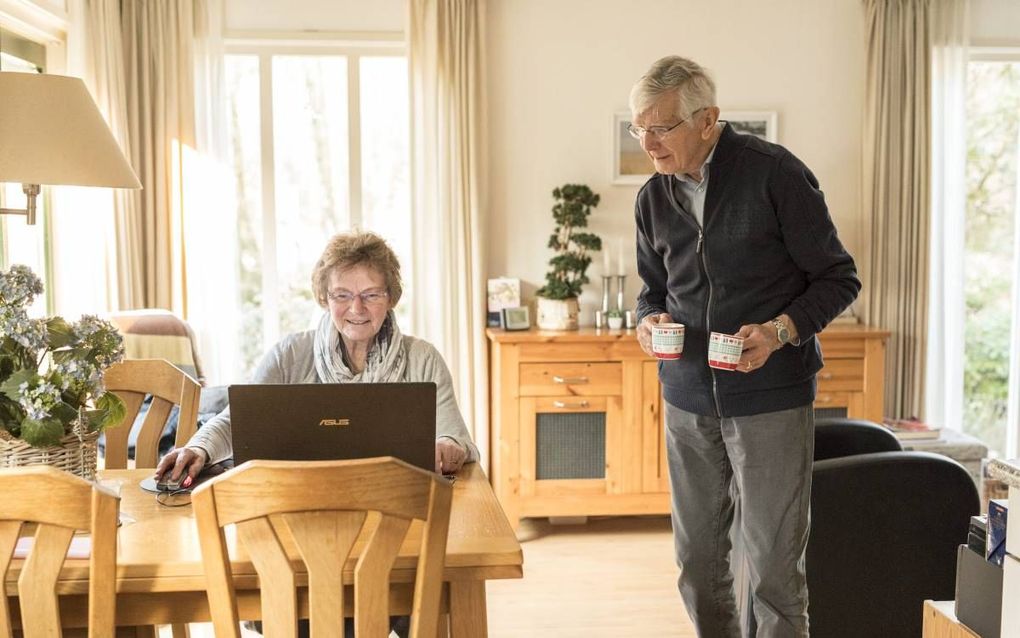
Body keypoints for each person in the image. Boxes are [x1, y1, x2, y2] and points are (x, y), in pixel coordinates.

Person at [629, 56, 861, 637]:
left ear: (707, 120)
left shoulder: (775, 174)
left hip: (771, 399)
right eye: (639, 128)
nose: (649, 143)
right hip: (687, 399)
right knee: (697, 565)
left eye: (661, 128)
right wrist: (648, 319)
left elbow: (838, 278)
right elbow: (652, 290)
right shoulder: (652, 198)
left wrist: (779, 332)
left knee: (774, 572)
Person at [156, 230, 478, 484]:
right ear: (324, 298)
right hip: (301, 502)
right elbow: (236, 422)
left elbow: (454, 437)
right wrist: (198, 447)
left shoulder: (423, 358)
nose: (356, 309)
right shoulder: (288, 356)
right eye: (342, 295)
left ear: (391, 297)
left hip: (395, 507)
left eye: (371, 295)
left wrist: (448, 447)